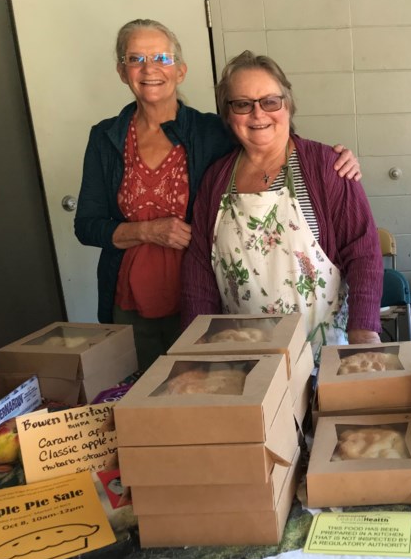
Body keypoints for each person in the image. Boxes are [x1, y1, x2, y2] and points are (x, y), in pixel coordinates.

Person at [74, 20, 360, 371]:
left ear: (180, 70)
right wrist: (147, 231)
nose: (149, 68)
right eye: (136, 58)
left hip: (208, 300)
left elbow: (267, 135)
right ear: (122, 71)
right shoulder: (106, 138)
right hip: (133, 299)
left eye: (161, 57)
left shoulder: (211, 131)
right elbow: (86, 225)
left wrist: (336, 161)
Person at [181, 50, 383, 351]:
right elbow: (199, 266)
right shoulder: (216, 179)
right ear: (228, 113)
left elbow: (364, 252)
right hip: (245, 360)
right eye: (242, 104)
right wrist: (196, 344)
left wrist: (364, 331)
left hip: (321, 355)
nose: (258, 114)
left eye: (270, 101)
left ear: (287, 105)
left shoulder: (326, 167)